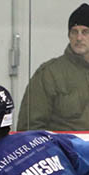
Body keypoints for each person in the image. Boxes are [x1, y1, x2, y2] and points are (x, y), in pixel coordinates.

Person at [17, 3, 89, 131]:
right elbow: (29, 128)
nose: (79, 38)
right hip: (64, 150)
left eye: (85, 32)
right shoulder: (49, 74)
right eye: (74, 32)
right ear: (68, 36)